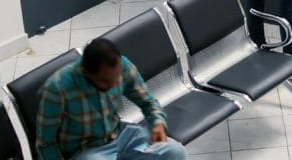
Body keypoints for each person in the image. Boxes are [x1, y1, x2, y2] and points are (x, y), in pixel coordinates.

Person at [36, 38, 187, 160]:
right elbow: (45, 143)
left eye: (117, 78)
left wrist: (157, 122)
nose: (114, 84)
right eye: (105, 81)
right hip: (86, 149)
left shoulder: (123, 65)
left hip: (121, 134)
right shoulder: (57, 88)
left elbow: (147, 101)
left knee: (175, 153)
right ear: (85, 72)